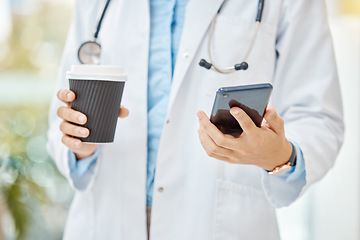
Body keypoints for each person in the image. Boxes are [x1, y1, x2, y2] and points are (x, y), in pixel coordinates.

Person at [47, 0, 344, 239]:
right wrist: (79, 146)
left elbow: (318, 115)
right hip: (106, 218)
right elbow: (62, 112)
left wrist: (279, 157)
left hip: (218, 223)